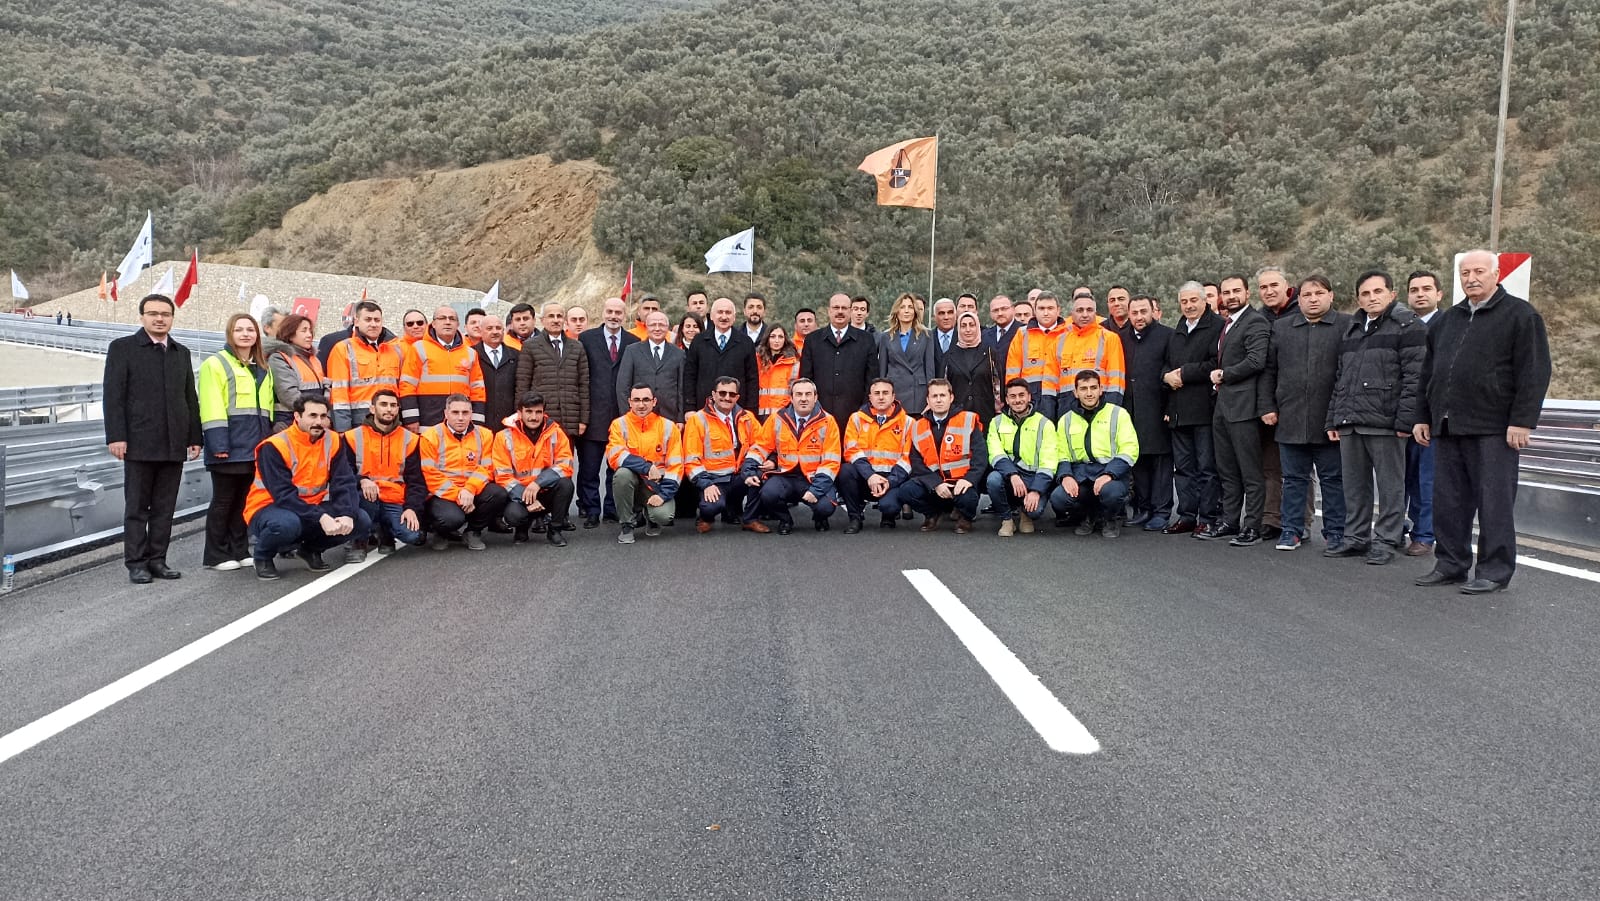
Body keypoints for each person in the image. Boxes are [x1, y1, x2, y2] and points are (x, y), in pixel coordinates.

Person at [1413, 250, 1551, 594]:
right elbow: (1428, 374)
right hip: (1447, 425)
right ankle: (1450, 564)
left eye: (1478, 271)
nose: (1471, 278)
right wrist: (1421, 416)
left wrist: (1522, 421)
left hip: (1494, 427)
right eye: (1465, 272)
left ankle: (1494, 570)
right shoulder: (1448, 320)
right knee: (1448, 502)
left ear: (1496, 273)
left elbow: (1534, 372)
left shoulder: (1520, 315)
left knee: (1495, 503)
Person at [1325, 269, 1426, 566]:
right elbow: (1341, 378)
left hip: (1386, 421)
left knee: (1391, 485)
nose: (1371, 298)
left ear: (1392, 294)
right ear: (1358, 298)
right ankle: (1356, 537)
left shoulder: (1409, 326)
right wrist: (1334, 418)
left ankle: (1387, 540)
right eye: (1365, 294)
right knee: (1354, 484)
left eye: (1377, 292)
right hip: (1351, 421)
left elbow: (1415, 378)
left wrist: (1405, 421)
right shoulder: (1352, 328)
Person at [104, 293, 202, 583]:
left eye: (165, 314)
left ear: (172, 318)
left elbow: (189, 398)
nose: (159, 318)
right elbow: (113, 397)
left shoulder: (180, 353)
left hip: (174, 443)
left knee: (164, 507)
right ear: (142, 317)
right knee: (136, 507)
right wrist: (117, 436)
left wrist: (194, 436)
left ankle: (158, 559)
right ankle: (136, 562)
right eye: (153, 313)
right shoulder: (123, 348)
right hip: (138, 442)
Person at [1260, 275, 1347, 552]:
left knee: (1333, 480)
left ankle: (1335, 532)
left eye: (1319, 293)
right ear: (1298, 299)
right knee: (1294, 479)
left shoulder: (1346, 325)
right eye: (1307, 294)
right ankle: (1292, 530)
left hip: (1329, 419)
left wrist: (1340, 415)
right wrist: (1267, 406)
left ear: (1331, 296)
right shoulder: (1284, 328)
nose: (1313, 299)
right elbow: (1269, 371)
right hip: (1290, 418)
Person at [243, 395, 371, 580]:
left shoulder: (333, 440)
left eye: (323, 416)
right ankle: (262, 556)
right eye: (312, 416)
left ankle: (309, 550)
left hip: (309, 508)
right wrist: (321, 516)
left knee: (360, 520)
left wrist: (347, 514)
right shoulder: (274, 446)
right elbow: (283, 495)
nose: (319, 422)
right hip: (268, 508)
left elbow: (344, 482)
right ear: (297, 416)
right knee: (287, 524)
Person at [198, 313, 274, 571]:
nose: (245, 334)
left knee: (244, 501)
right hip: (228, 446)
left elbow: (268, 410)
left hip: (255, 446)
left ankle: (239, 549)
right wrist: (219, 444)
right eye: (239, 329)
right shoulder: (215, 364)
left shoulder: (263, 368)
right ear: (230, 334)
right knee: (223, 501)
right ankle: (216, 554)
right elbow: (211, 406)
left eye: (250, 330)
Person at [1200, 274, 1271, 546]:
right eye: (1226, 292)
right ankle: (1230, 520)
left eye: (1235, 291)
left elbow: (1256, 360)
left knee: (1250, 471)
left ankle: (1251, 526)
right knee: (1227, 470)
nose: (1230, 296)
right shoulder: (1227, 324)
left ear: (1247, 293)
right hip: (1223, 407)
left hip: (1244, 408)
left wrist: (1224, 374)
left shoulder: (1255, 322)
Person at [1161, 281, 1224, 535]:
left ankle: (1208, 517)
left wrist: (1184, 374)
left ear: (1204, 301)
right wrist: (1166, 377)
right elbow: (1165, 363)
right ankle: (1187, 515)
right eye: (1184, 301)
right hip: (1178, 410)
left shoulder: (1217, 327)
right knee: (1184, 469)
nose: (1188, 305)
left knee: (1207, 469)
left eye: (1193, 300)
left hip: (1204, 410)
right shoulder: (1177, 330)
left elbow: (1215, 363)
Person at [740, 378, 841, 533]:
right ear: (791, 398)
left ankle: (820, 518)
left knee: (826, 506)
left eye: (808, 394)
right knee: (768, 494)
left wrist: (816, 490)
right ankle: (785, 520)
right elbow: (760, 447)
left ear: (815, 397)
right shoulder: (777, 418)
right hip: (785, 476)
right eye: (799, 394)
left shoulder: (828, 421)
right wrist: (748, 471)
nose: (803, 398)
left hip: (812, 477)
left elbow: (831, 462)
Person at [1051, 370, 1139, 538]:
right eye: (1083, 389)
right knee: (1059, 498)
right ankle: (1088, 515)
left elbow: (1130, 449)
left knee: (1111, 493)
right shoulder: (1066, 420)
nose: (1089, 393)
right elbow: (1061, 452)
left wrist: (1109, 474)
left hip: (1113, 473)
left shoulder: (1118, 414)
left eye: (1093, 387)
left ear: (1101, 389)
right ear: (1075, 393)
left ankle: (1109, 518)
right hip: (1081, 474)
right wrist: (1066, 476)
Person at [576, 297, 639, 527]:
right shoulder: (586, 339)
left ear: (625, 315)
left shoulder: (633, 342)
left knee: (617, 468)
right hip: (593, 415)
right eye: (610, 311)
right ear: (603, 313)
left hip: (621, 417)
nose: (614, 316)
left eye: (618, 312)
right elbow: (581, 377)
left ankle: (612, 510)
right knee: (590, 469)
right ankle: (592, 510)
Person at [419, 394, 509, 551]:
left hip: (471, 490)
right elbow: (430, 474)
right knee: (451, 518)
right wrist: (458, 495)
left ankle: (473, 531)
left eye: (465, 413)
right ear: (446, 413)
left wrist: (469, 489)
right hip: (443, 494)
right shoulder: (430, 436)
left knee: (499, 493)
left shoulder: (485, 435)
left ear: (471, 413)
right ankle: (441, 533)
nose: (460, 418)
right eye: (455, 412)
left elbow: (486, 468)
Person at [345, 388, 426, 553]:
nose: (389, 409)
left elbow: (416, 481)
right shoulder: (352, 437)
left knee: (411, 536)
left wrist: (411, 508)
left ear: (398, 409)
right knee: (365, 498)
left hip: (394, 499)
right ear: (372, 409)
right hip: (365, 497)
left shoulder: (410, 439)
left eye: (393, 405)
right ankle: (359, 541)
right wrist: (362, 480)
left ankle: (385, 531)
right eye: (383, 404)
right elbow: (343, 475)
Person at [492, 391, 576, 546]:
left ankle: (555, 530)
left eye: (538, 412)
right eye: (528, 412)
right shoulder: (503, 436)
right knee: (514, 515)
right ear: (519, 413)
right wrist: (526, 496)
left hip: (545, 491)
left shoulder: (556, 433)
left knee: (566, 484)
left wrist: (537, 483)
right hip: (520, 495)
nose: (533, 417)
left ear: (544, 413)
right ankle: (522, 528)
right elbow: (502, 477)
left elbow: (565, 465)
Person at [902, 379, 985, 533]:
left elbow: (980, 457)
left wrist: (968, 480)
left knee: (968, 498)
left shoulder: (968, 419)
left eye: (942, 395)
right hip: (934, 485)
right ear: (928, 400)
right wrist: (935, 484)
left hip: (960, 483)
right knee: (906, 491)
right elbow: (916, 462)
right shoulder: (918, 426)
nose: (938, 400)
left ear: (951, 397)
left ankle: (964, 517)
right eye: (934, 396)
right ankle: (932, 514)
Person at [1119, 295, 1173, 530]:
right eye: (1135, 313)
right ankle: (1143, 508)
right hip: (1130, 409)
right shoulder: (1121, 338)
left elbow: (1171, 371)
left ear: (1153, 312)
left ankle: (1161, 511)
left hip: (1158, 407)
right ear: (1128, 314)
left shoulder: (1168, 336)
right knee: (1137, 459)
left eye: (1144, 311)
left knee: (1160, 462)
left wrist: (1170, 408)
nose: (1139, 317)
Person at [682, 376, 762, 532]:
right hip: (713, 479)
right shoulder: (697, 420)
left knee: (763, 476)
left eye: (732, 394)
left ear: (737, 397)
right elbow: (691, 460)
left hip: (740, 475)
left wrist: (752, 468)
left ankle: (749, 519)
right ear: (713, 394)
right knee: (711, 506)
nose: (727, 397)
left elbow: (761, 445)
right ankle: (706, 518)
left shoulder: (747, 417)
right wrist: (706, 484)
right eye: (722, 393)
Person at [606, 383, 682, 544]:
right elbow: (615, 456)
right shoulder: (619, 425)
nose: (641, 405)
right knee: (622, 475)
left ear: (654, 402)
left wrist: (663, 495)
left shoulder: (669, 427)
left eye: (646, 400)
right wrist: (647, 466)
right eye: (637, 400)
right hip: (632, 481)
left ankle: (651, 517)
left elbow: (676, 467)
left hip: (655, 486)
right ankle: (627, 524)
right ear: (630, 402)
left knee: (663, 516)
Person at [1403, 270, 1445, 556]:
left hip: (1432, 417)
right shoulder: (1402, 326)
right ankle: (1399, 530)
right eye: (1415, 289)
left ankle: (1425, 535)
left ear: (1439, 294)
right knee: (1403, 481)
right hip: (1400, 417)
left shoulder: (1449, 325)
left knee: (1427, 480)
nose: (1420, 294)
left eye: (1426, 288)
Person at [1254, 267, 1298, 535]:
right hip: (1268, 402)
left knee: (1299, 470)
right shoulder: (1260, 318)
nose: (1269, 291)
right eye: (1263, 287)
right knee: (1270, 465)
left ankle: (1298, 523)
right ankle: (1271, 519)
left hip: (1297, 404)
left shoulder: (1301, 312)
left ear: (1286, 285)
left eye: (1274, 285)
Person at [987, 378, 1059, 536]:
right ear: (1006, 399)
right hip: (1010, 475)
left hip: (1034, 477)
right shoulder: (996, 422)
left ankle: (1026, 514)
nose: (1017, 400)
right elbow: (995, 452)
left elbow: (1049, 461)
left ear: (1029, 397)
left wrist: (1036, 490)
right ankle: (1007, 520)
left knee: (1035, 511)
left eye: (1021, 395)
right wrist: (1012, 474)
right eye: (1012, 396)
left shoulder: (1044, 424)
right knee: (993, 479)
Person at [839, 378, 912, 532]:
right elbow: (851, 451)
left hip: (892, 479)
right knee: (845, 471)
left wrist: (889, 482)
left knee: (889, 506)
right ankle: (855, 517)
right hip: (865, 477)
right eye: (876, 393)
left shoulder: (908, 422)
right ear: (870, 397)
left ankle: (889, 516)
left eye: (885, 393)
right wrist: (870, 475)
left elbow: (908, 458)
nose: (880, 397)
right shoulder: (856, 419)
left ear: (893, 397)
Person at [800, 292, 879, 430]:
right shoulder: (813, 340)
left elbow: (871, 379)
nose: (840, 312)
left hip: (856, 415)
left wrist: (865, 409)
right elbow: (806, 379)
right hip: (819, 414)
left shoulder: (866, 340)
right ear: (829, 311)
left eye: (844, 308)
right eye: (836, 308)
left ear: (850, 311)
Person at [400, 305, 485, 429]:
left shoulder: (470, 353)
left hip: (460, 425)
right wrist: (411, 418)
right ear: (433, 323)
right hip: (428, 422)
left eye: (452, 319)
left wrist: (477, 421)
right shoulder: (419, 348)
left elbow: (478, 389)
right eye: (442, 318)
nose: (447, 322)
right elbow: (407, 384)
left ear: (458, 325)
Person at [515, 301, 590, 439]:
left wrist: (583, 419)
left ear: (564, 320)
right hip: (540, 418)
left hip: (570, 418)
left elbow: (583, 385)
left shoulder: (577, 347)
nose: (556, 320)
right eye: (551, 316)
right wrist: (521, 415)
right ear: (542, 320)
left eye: (559, 316)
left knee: (565, 460)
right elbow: (523, 383)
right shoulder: (530, 346)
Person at [328, 300, 405, 432]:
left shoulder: (396, 350)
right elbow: (339, 394)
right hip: (358, 422)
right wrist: (342, 429)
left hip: (391, 421)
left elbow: (403, 387)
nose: (373, 324)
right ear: (356, 321)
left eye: (377, 320)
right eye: (368, 319)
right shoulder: (343, 349)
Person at [683, 297, 759, 413]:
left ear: (734, 317)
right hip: (703, 409)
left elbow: (752, 379)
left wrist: (751, 410)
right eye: (720, 312)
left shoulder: (746, 343)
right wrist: (689, 408)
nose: (724, 317)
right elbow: (690, 377)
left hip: (736, 411)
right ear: (712, 316)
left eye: (728, 313)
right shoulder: (699, 341)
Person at [1058, 292, 1127, 408]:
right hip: (1066, 405)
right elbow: (1050, 383)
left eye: (1089, 310)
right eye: (1080, 310)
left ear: (1095, 313)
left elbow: (1117, 380)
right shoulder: (1059, 341)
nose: (1085, 314)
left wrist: (1112, 408)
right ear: (1072, 314)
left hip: (1101, 403)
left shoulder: (1110, 338)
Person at [616, 310, 686, 422]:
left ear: (667, 327)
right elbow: (623, 387)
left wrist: (680, 419)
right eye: (653, 324)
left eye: (661, 325)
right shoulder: (632, 351)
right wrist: (628, 416)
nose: (657, 328)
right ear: (647, 327)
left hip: (669, 417)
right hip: (638, 416)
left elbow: (681, 389)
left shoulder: (679, 353)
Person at [1006, 290, 1067, 418]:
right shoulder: (1022, 334)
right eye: (1041, 308)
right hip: (1031, 399)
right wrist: (1015, 397)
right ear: (1035, 310)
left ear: (1058, 310)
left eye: (1050, 308)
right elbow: (1013, 371)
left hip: (1063, 396)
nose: (1046, 312)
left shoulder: (1069, 333)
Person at [267, 313, 330, 428]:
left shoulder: (314, 360)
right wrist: (317, 415)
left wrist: (323, 416)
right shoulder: (280, 358)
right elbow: (289, 396)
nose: (309, 335)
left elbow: (324, 391)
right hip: (289, 423)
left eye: (310, 331)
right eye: (304, 330)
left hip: (313, 423)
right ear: (290, 334)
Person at [878, 292, 938, 414]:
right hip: (895, 395)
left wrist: (931, 398)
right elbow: (882, 372)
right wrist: (883, 396)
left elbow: (930, 369)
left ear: (915, 311)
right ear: (897, 311)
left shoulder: (926, 335)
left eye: (910, 307)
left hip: (918, 397)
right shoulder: (886, 337)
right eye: (902, 307)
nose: (906, 311)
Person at [942, 311, 999, 428]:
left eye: (971, 325)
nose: (968, 330)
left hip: (985, 414)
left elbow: (997, 384)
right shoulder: (949, 355)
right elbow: (944, 386)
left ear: (977, 327)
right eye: (963, 326)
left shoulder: (989, 353)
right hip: (957, 416)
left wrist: (998, 409)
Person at [473, 314, 519, 431]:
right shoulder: (471, 354)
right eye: (489, 328)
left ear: (504, 331)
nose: (495, 332)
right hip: (479, 419)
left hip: (509, 421)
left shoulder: (516, 355)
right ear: (481, 331)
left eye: (498, 328)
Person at [756, 325, 801, 419]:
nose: (777, 340)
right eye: (773, 336)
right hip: (760, 413)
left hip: (784, 413)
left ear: (785, 339)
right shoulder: (757, 359)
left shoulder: (793, 361)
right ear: (767, 338)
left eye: (780, 337)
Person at [984, 294, 1020, 361]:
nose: (1000, 313)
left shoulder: (1024, 331)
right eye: (995, 310)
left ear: (1013, 310)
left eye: (1004, 309)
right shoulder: (985, 335)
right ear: (990, 313)